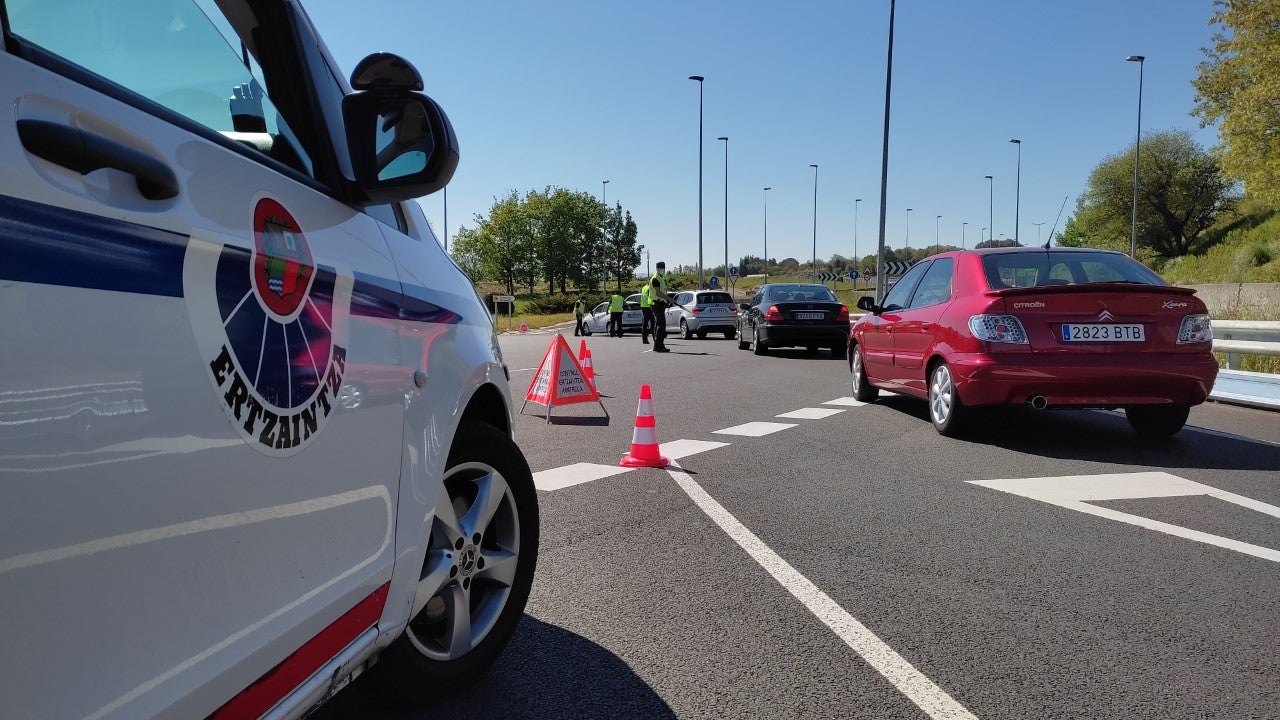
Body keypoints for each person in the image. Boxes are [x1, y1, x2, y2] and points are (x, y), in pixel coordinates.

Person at [648, 262, 673, 352]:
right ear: (657, 268)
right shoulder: (655, 279)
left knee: (660, 325)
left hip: (660, 303)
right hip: (656, 304)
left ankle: (660, 345)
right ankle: (657, 346)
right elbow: (658, 293)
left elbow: (662, 292)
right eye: (662, 268)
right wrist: (668, 298)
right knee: (661, 325)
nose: (663, 270)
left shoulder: (661, 278)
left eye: (664, 268)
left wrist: (666, 300)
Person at [639, 280, 655, 345]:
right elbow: (651, 297)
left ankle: (644, 339)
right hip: (649, 307)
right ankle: (655, 338)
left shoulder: (644, 288)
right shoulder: (650, 288)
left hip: (643, 307)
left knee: (645, 324)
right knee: (653, 323)